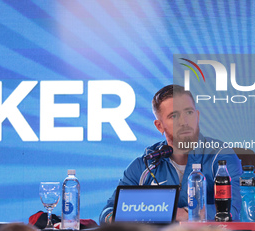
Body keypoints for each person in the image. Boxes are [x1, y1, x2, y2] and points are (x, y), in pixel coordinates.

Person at [99, 85, 242, 223]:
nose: (184, 122)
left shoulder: (221, 156)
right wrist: (121, 218)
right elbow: (108, 212)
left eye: (189, 112)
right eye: (174, 116)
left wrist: (183, 214)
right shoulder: (146, 164)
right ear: (159, 126)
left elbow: (232, 210)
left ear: (197, 116)